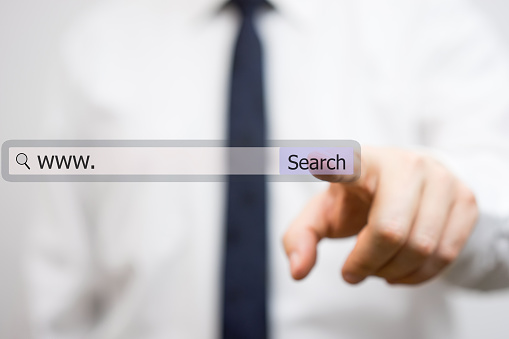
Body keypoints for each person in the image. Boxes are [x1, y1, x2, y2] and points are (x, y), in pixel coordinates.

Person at [27, 0, 509, 338]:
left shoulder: (427, 22)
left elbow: (498, 207)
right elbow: (56, 290)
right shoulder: (95, 48)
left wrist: (438, 201)